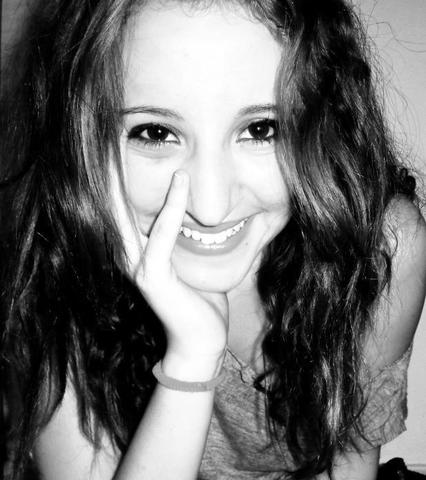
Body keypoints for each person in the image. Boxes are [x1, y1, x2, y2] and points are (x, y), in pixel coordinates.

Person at [1, 0, 425, 479]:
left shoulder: (378, 249)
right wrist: (191, 359)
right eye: (155, 132)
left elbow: (348, 460)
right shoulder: (51, 275)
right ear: (80, 141)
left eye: (261, 129)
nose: (209, 206)